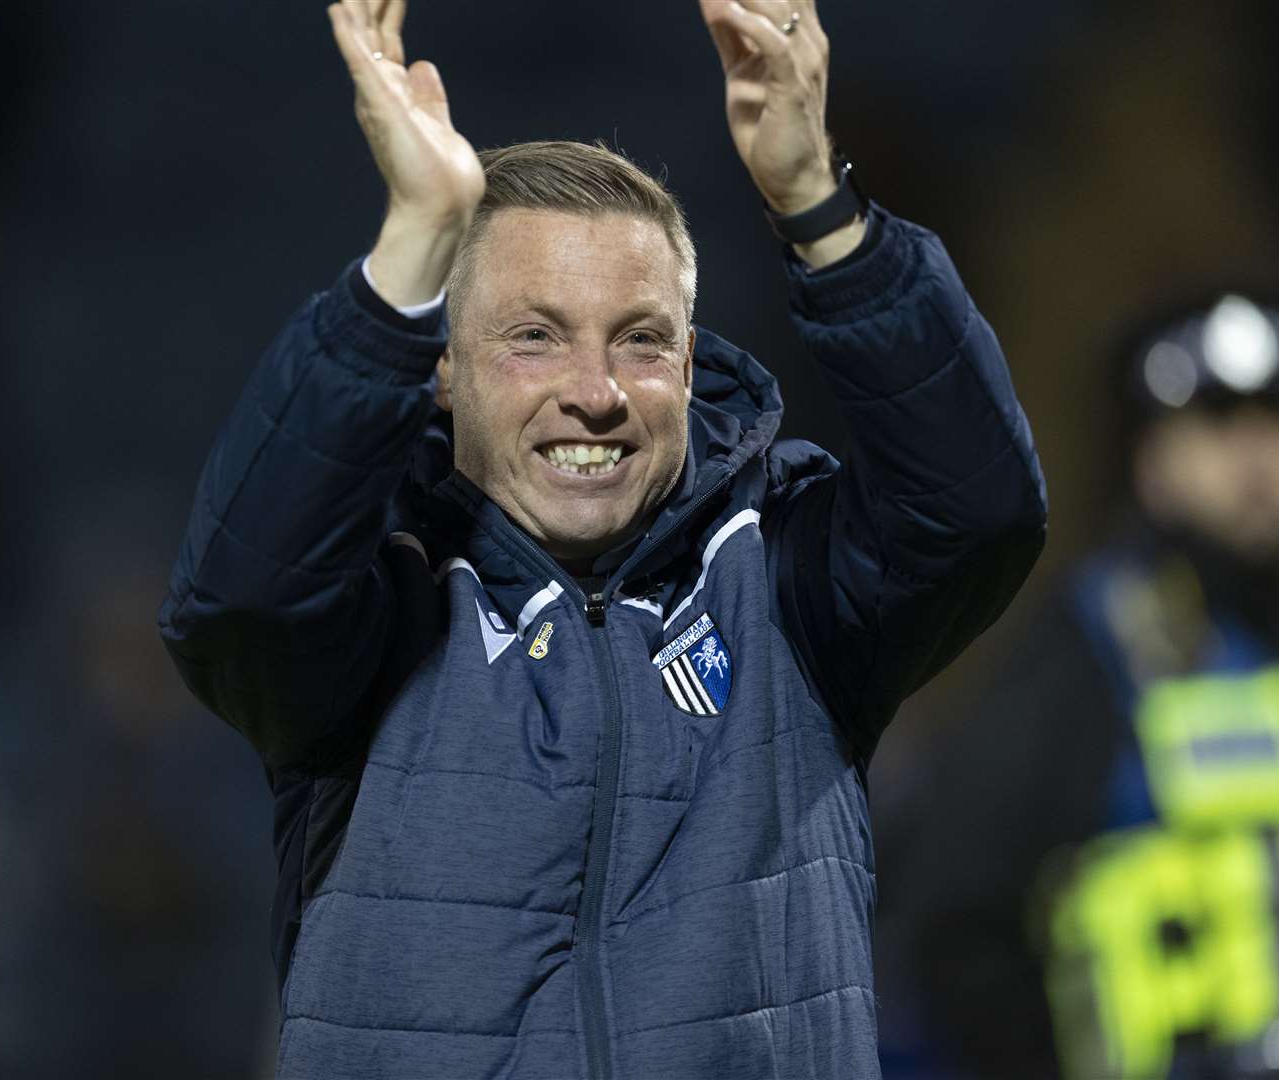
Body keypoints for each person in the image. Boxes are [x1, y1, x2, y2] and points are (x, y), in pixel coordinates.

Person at [158, 1, 1046, 1076]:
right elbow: (239, 602)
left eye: (641, 342)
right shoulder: (374, 600)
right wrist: (409, 256)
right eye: (533, 338)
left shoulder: (786, 579)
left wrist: (817, 206)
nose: (596, 394)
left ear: (688, 364)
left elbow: (980, 510)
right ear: (443, 372)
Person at [881, 289, 1279, 1079]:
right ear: (1152, 465)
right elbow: (953, 924)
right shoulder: (1092, 653)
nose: (1256, 456)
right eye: (1214, 423)